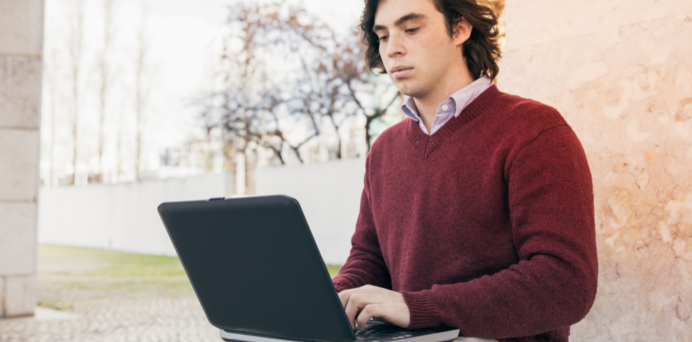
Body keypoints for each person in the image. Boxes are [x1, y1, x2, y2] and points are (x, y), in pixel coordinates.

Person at [330, 0, 598, 341]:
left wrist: (419, 308)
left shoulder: (534, 131)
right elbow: (369, 260)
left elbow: (566, 282)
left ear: (460, 28)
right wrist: (323, 302)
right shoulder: (384, 150)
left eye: (411, 29)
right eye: (383, 36)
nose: (393, 49)